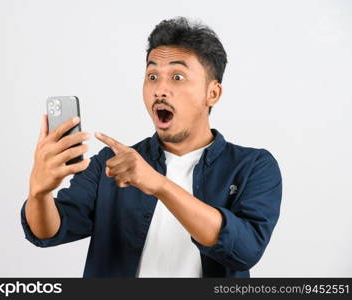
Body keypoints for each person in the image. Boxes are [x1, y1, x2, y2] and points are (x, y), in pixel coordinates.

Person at [20, 16, 282, 278]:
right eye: (152, 76)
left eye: (177, 76)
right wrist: (39, 193)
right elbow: (49, 231)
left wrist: (158, 184)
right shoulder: (111, 164)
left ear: (212, 93)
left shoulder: (252, 166)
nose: (160, 89)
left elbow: (246, 250)